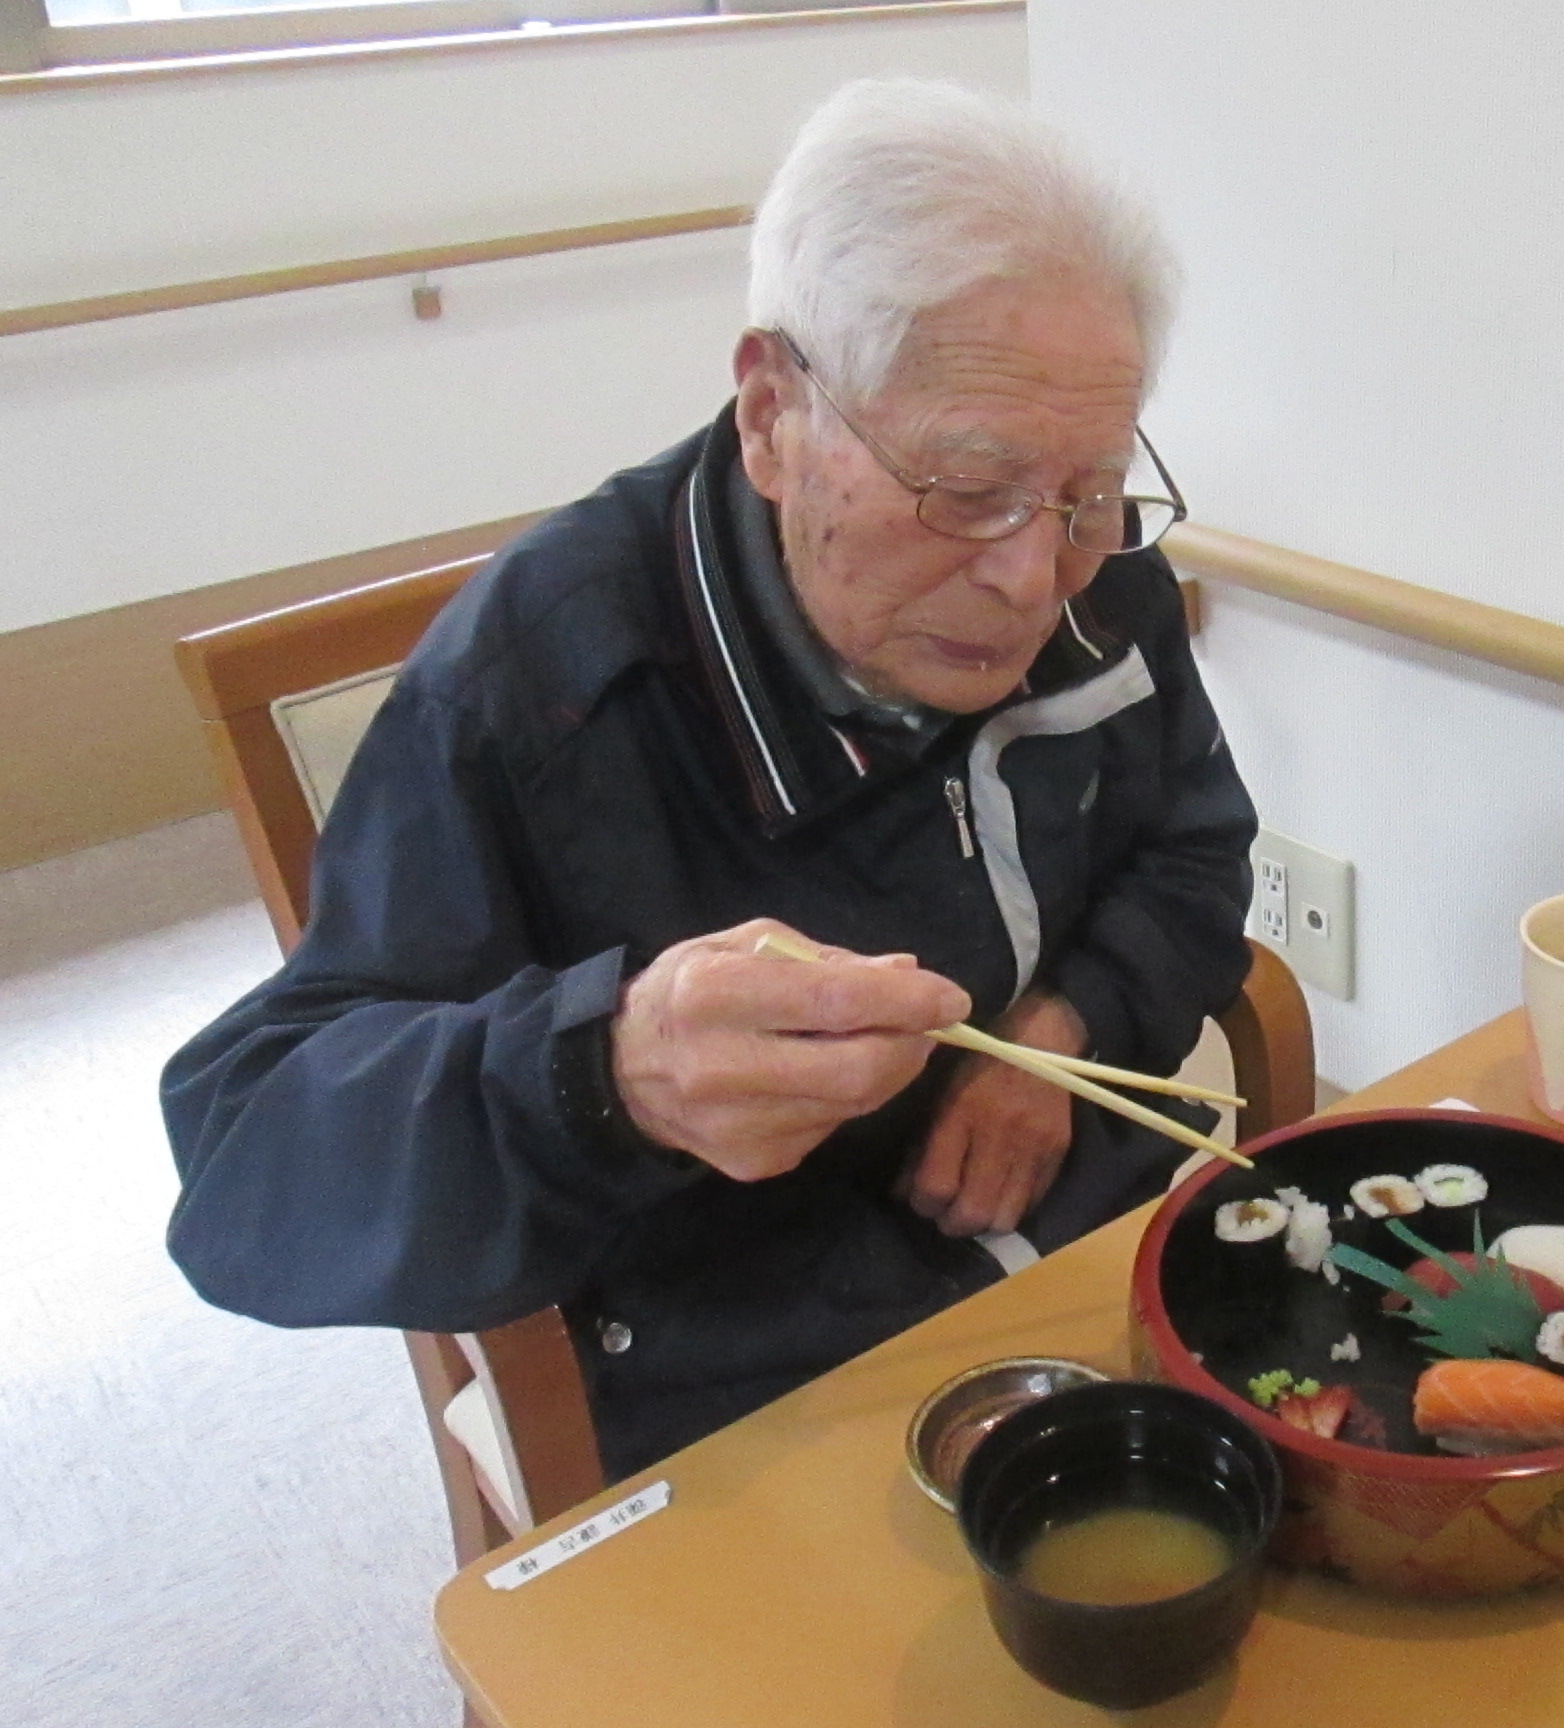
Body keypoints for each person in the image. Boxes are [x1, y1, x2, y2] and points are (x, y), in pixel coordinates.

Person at [160, 80, 1257, 1478]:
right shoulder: (538, 683)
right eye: (967, 488)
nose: (1032, 577)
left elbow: (1193, 846)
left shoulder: (1094, 564)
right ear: (773, 414)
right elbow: (246, 1164)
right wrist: (607, 1075)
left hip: (1088, 1231)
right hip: (751, 1360)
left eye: (1086, 494)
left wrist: (1064, 1032)